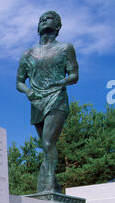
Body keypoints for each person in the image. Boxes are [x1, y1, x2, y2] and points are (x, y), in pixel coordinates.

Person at [16, 11, 79, 193]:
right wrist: (28, 90)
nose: (44, 20)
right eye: (41, 19)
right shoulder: (27, 54)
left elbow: (74, 75)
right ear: (38, 26)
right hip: (36, 102)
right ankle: (54, 184)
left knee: (49, 142)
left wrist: (60, 82)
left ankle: (49, 184)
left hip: (57, 97)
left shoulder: (66, 48)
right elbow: (19, 81)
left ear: (58, 26)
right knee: (45, 145)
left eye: (49, 18)